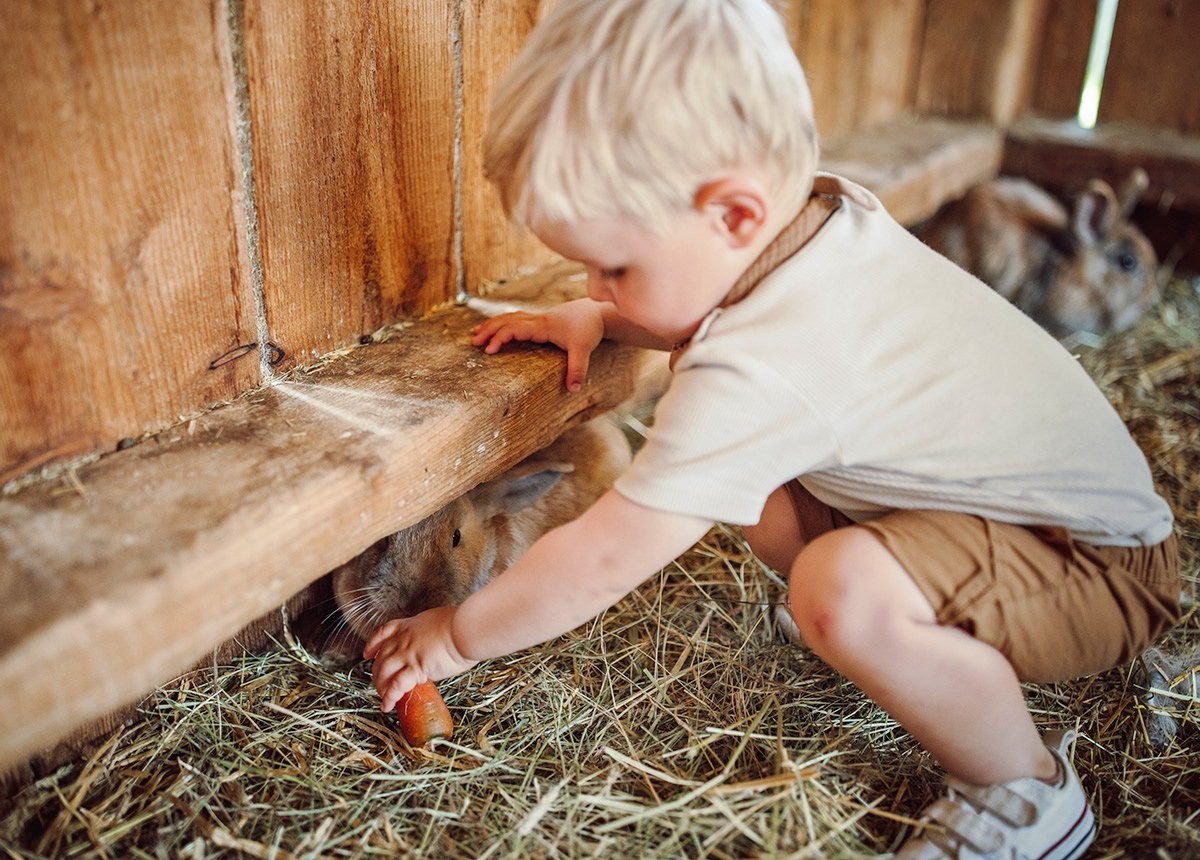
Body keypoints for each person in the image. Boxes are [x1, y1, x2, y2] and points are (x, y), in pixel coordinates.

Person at [364, 1, 1181, 855]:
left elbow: (602, 558)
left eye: (614, 265)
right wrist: (601, 318)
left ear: (736, 216)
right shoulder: (824, 230)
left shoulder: (759, 368)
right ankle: (887, 636)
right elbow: (707, 309)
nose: (596, 282)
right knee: (757, 495)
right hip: (1034, 520)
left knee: (839, 588)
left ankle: (1026, 793)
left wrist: (456, 638)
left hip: (1091, 566)